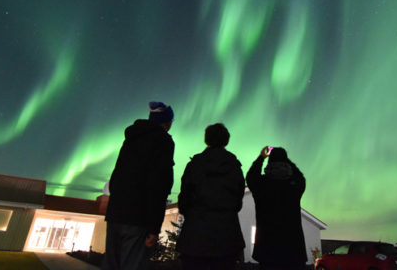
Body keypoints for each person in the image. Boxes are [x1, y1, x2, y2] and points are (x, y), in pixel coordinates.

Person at [103, 101, 175, 270]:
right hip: (138, 219)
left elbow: (117, 175)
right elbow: (159, 185)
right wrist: (154, 228)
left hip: (116, 214)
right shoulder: (164, 141)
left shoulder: (131, 138)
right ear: (166, 122)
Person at [176, 123, 245, 270]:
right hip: (227, 239)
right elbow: (238, 201)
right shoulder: (234, 167)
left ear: (206, 139)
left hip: (195, 238)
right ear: (226, 140)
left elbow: (184, 200)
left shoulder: (194, 165)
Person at [246, 146, 307, 270]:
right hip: (293, 250)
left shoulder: (261, 184)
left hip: (267, 250)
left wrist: (261, 157)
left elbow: (251, 176)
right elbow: (300, 177)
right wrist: (286, 160)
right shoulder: (294, 185)